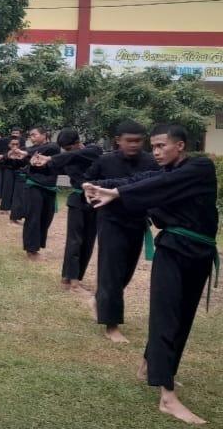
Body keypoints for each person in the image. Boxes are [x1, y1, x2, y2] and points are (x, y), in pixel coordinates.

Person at [84, 124, 218, 426]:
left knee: (183, 318)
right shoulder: (163, 173)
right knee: (166, 317)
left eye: (161, 146)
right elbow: (141, 180)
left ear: (180, 145)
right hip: (172, 250)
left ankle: (151, 366)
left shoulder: (199, 167)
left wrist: (117, 192)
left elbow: (156, 186)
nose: (155, 152)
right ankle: (167, 397)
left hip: (200, 253)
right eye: (153, 147)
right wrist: (100, 186)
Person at [84, 120, 160, 343]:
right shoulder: (105, 160)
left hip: (137, 221)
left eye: (138, 141)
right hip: (111, 220)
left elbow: (154, 186)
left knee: (126, 271)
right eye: (129, 141)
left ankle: (100, 299)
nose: (134, 145)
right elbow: (89, 181)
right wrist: (88, 190)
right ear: (118, 141)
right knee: (111, 272)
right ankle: (112, 325)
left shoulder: (151, 162)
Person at [30, 128, 102, 292]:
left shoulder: (94, 150)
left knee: (88, 241)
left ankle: (77, 278)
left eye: (68, 149)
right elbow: (52, 168)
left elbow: (71, 156)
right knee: (74, 240)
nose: (66, 152)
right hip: (77, 200)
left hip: (95, 202)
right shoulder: (68, 156)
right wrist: (36, 163)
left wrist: (51, 157)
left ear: (78, 143)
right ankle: (68, 277)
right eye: (64, 149)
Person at [2, 126, 60, 261]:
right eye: (30, 136)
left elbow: (36, 152)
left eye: (34, 135)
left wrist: (24, 152)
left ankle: (36, 246)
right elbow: (17, 163)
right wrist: (8, 157)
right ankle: (31, 250)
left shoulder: (52, 147)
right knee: (33, 218)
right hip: (34, 187)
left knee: (46, 218)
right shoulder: (28, 152)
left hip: (49, 188)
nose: (31, 138)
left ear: (44, 134)